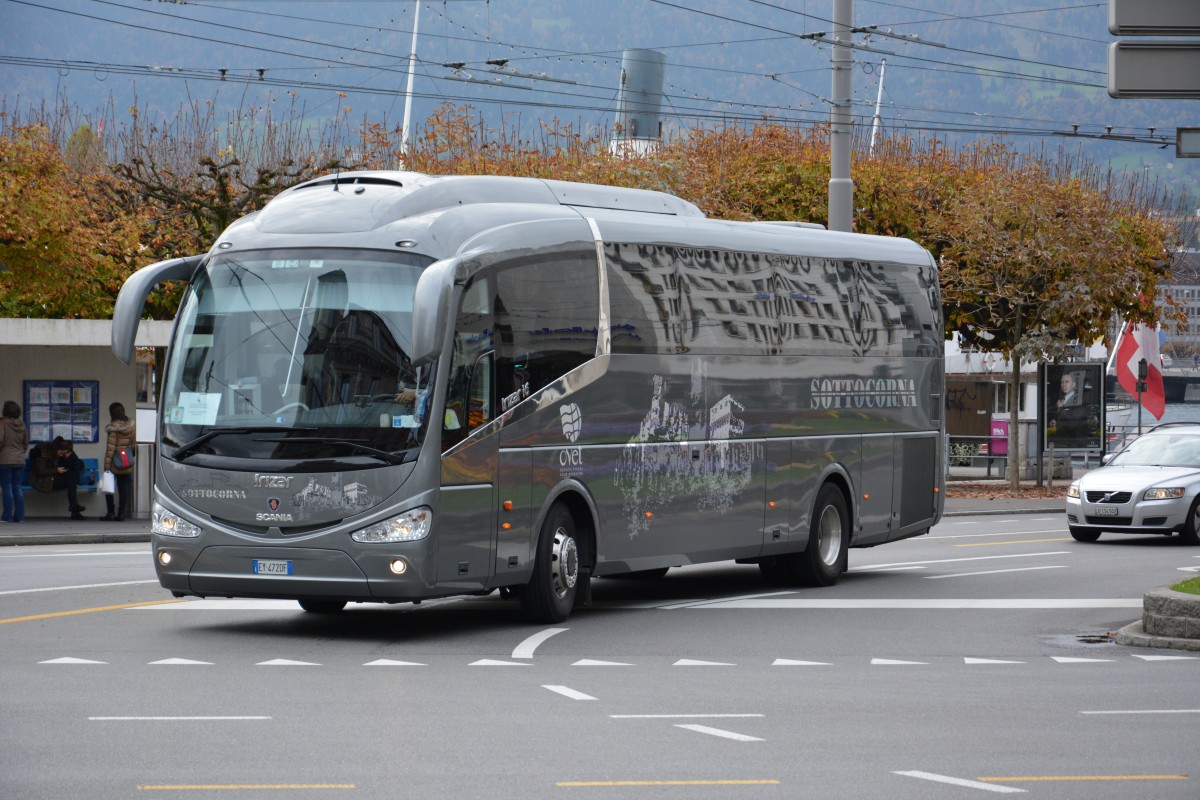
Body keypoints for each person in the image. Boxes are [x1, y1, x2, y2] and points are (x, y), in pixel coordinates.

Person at [31, 436, 86, 520]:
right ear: (57, 449)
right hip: (44, 480)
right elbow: (40, 472)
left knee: (73, 473)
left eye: (64, 454)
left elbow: (77, 465)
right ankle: (74, 508)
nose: (61, 455)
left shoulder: (63, 450)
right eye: (61, 453)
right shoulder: (43, 452)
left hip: (55, 476)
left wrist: (70, 455)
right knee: (72, 479)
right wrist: (56, 470)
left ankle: (74, 506)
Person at [102, 402, 136, 522]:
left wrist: (106, 466)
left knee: (108, 488)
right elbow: (133, 445)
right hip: (126, 462)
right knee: (124, 490)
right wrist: (125, 454)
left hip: (113, 463)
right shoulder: (131, 427)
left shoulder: (113, 428)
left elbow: (111, 448)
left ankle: (110, 513)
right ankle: (121, 514)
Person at [0, 400, 29, 523]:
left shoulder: (3, 423)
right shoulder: (22, 424)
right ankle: (20, 517)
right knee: (17, 487)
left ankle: (7, 516)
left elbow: (0, 441)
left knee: (7, 487)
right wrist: (20, 453)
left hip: (5, 459)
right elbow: (25, 443)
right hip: (19, 460)